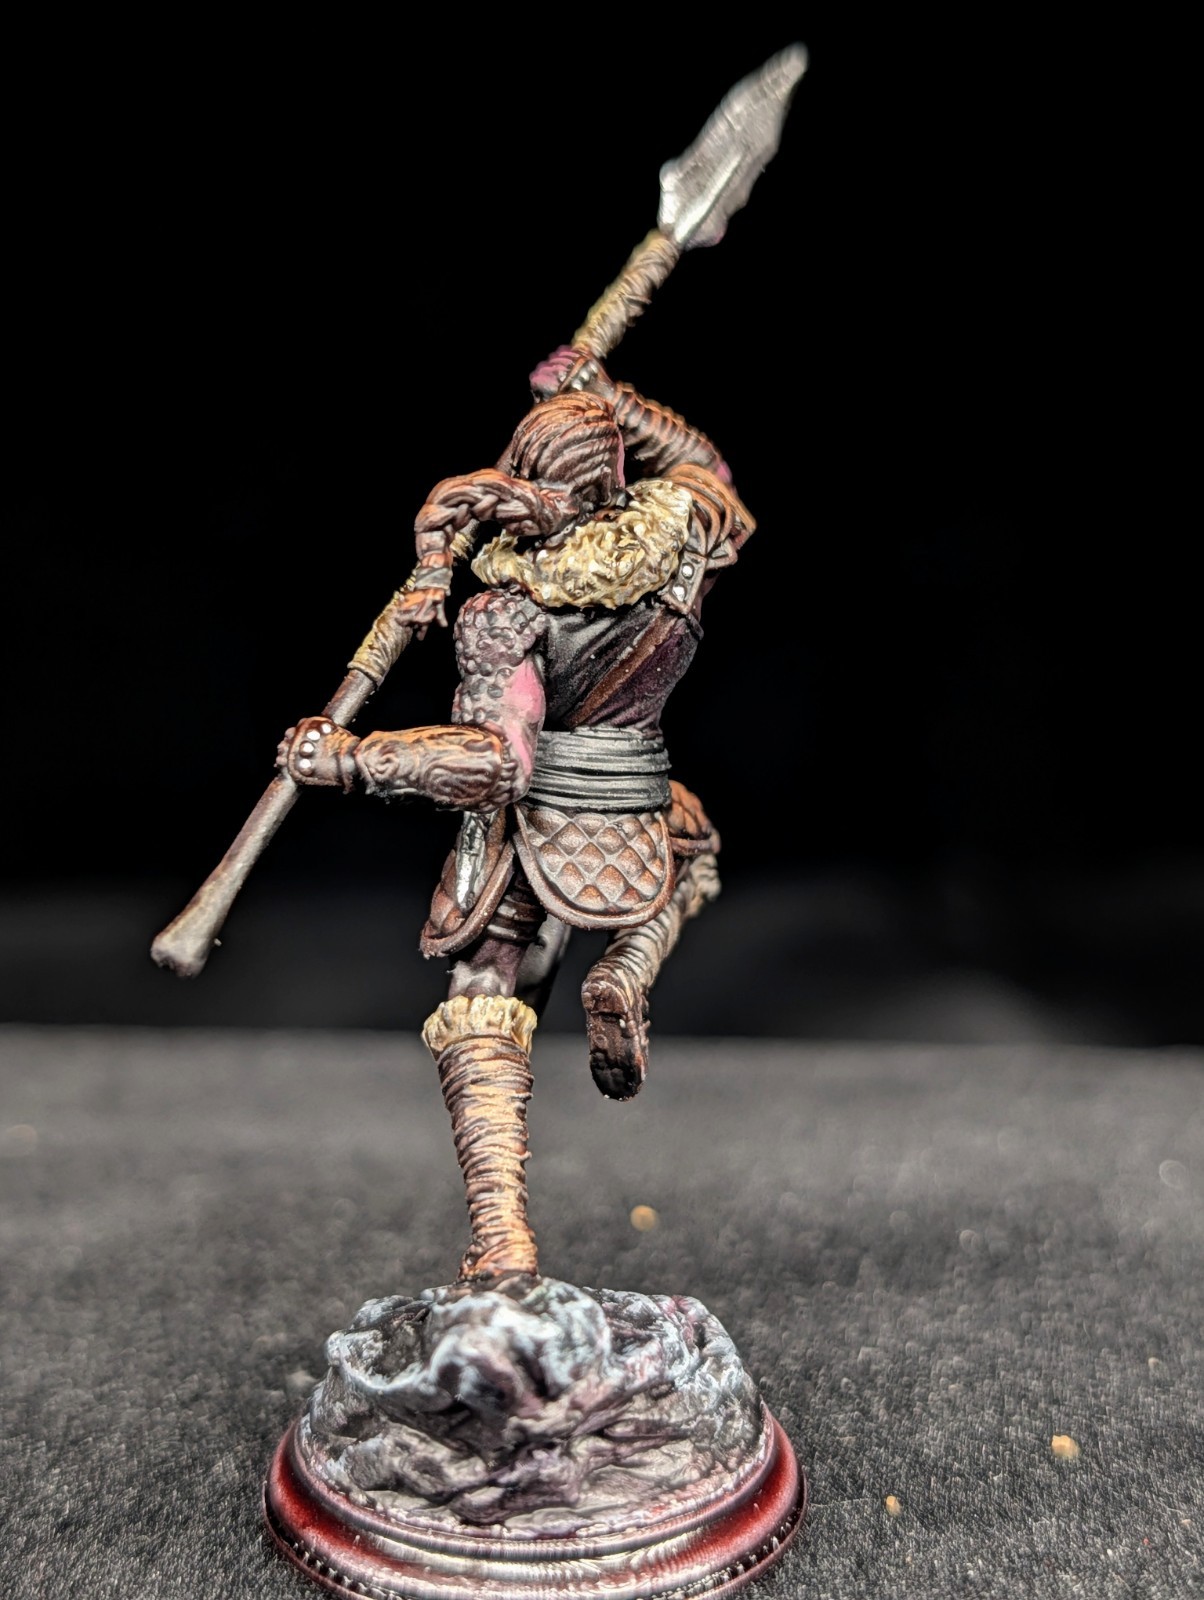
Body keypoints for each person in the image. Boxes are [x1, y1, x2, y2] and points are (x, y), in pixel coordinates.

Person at [276, 347, 754, 1281]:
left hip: (534, 828)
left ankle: (501, 1237)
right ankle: (626, 967)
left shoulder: (506, 611)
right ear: (618, 473)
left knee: (484, 1001)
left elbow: (499, 763)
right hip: (638, 802)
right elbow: (713, 467)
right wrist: (618, 399)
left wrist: (352, 760)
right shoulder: (685, 530)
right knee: (693, 852)